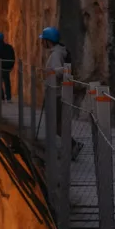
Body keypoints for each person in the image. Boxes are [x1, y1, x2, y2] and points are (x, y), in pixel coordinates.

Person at [39, 27, 83, 160]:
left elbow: (60, 71)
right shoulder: (58, 52)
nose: (42, 43)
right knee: (56, 124)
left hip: (56, 93)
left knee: (55, 125)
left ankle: (73, 146)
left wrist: (50, 72)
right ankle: (70, 147)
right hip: (56, 91)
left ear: (48, 41)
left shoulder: (56, 54)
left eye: (43, 40)